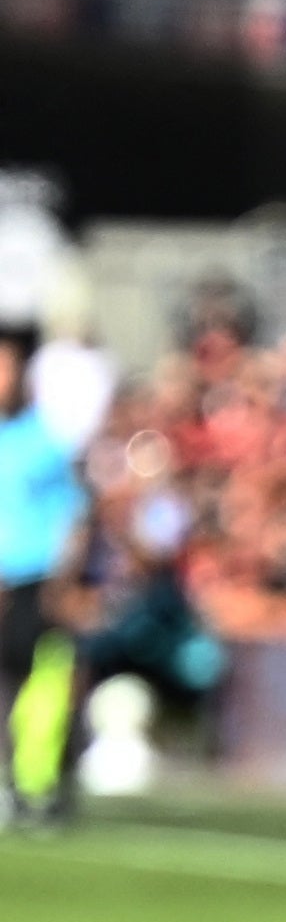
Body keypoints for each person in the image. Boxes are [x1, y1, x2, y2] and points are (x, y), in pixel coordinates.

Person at [0, 329, 76, 832]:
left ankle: (36, 785)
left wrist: (63, 578)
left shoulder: (41, 440)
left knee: (38, 685)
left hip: (30, 578)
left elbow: (70, 513)